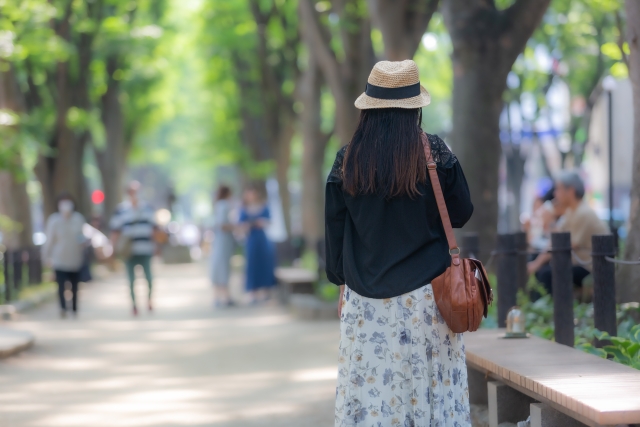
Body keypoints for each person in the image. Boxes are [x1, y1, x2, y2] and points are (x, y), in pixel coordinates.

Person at [325, 60, 474, 426]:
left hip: (365, 303)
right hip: (426, 300)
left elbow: (334, 226)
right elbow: (462, 211)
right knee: (429, 391)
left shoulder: (349, 160)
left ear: (369, 108)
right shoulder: (432, 153)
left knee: (372, 397)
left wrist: (339, 276)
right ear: (416, 107)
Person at [527, 170, 609, 295]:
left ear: (570, 191)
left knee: (546, 274)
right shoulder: (571, 212)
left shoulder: (583, 213)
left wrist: (537, 264)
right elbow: (555, 241)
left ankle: (553, 311)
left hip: (590, 267)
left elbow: (565, 245)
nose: (555, 193)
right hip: (577, 263)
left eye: (558, 189)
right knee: (537, 263)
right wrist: (536, 263)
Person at [110, 181, 157, 316]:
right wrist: (112, 248)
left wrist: (157, 245)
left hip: (145, 249)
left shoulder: (148, 208)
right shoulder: (121, 210)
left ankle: (149, 300)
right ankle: (134, 305)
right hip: (129, 252)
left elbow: (154, 229)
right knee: (131, 280)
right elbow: (115, 231)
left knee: (149, 278)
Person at [43, 193, 86, 318]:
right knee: (61, 286)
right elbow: (49, 241)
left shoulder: (78, 219)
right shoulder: (54, 220)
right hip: (59, 259)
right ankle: (62, 308)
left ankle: (74, 309)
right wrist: (46, 257)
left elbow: (81, 236)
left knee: (75, 286)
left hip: (75, 258)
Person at [239, 187, 276, 303]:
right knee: (252, 264)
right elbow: (240, 225)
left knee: (264, 263)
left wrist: (262, 223)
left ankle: (266, 291)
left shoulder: (263, 206)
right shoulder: (244, 209)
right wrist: (247, 226)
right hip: (251, 239)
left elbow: (269, 221)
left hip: (262, 239)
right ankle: (252, 292)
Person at [209, 185, 236, 307]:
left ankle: (221, 297)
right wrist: (236, 226)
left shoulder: (219, 205)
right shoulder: (224, 205)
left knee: (219, 267)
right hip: (223, 241)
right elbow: (222, 225)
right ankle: (223, 297)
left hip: (221, 241)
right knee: (222, 267)